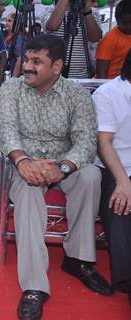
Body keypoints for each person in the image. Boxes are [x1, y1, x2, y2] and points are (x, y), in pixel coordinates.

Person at [0, 34, 113, 320]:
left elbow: (86, 141)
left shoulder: (78, 96)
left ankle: (78, 259)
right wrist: (23, 162)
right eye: (26, 59)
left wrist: (62, 168)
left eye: (37, 61)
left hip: (63, 164)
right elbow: (5, 129)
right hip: (23, 163)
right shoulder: (11, 90)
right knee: (30, 191)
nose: (27, 67)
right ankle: (34, 286)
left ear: (57, 67)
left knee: (91, 178)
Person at [93, 48, 131, 307]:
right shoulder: (108, 95)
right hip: (114, 167)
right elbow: (104, 143)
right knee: (120, 203)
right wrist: (124, 181)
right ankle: (127, 278)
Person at [41, 0, 102, 78]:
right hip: (54, 77)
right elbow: (53, 26)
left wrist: (86, 10)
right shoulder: (50, 10)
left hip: (82, 76)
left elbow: (95, 37)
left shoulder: (93, 12)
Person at [95, 0, 131, 79]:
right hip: (110, 85)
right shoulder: (109, 40)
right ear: (117, 21)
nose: (129, 26)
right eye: (125, 23)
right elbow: (101, 74)